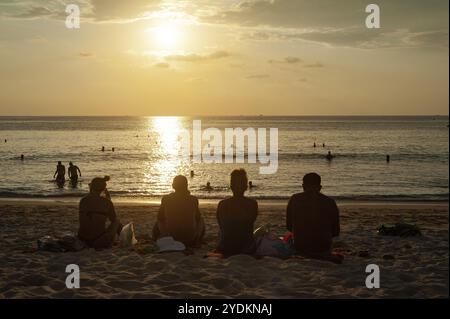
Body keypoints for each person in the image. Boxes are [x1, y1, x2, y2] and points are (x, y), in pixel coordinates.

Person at [286, 173, 340, 256]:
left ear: (303, 186)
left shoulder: (294, 199)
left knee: (287, 238)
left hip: (300, 246)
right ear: (320, 187)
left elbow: (289, 226)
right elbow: (336, 231)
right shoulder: (330, 202)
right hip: (323, 247)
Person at [153, 175, 205, 247]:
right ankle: (198, 239)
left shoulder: (166, 199)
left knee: (158, 221)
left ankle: (156, 238)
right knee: (201, 220)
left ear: (173, 186)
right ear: (186, 185)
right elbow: (198, 218)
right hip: (190, 238)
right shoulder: (193, 199)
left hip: (171, 238)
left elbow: (160, 217)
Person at [216, 169, 258, 257]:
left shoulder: (222, 204)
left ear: (231, 186)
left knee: (221, 232)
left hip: (226, 247)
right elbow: (250, 223)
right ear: (246, 187)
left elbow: (221, 225)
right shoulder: (252, 204)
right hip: (246, 247)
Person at [78, 176, 122, 249]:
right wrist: (109, 200)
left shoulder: (83, 200)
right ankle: (124, 237)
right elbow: (113, 218)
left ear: (91, 187)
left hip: (82, 239)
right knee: (116, 221)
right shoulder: (107, 202)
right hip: (98, 241)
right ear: (103, 188)